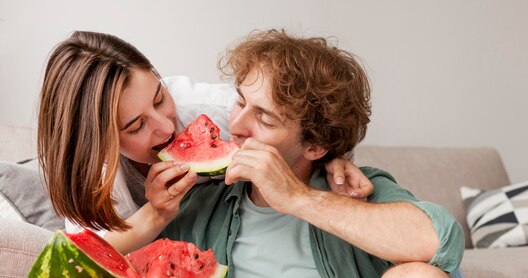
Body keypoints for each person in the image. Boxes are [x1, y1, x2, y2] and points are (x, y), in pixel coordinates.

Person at [115, 29, 487, 278]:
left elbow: (438, 240)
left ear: (314, 147)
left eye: (264, 118)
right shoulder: (202, 204)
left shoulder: (352, 189)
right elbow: (108, 272)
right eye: (241, 103)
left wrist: (298, 198)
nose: (237, 126)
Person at [36, 31, 374, 256]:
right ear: (100, 143)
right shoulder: (92, 167)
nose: (166, 125)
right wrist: (156, 212)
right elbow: (88, 257)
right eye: (137, 126)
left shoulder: (214, 110)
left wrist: (334, 157)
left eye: (159, 98)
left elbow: (305, 121)